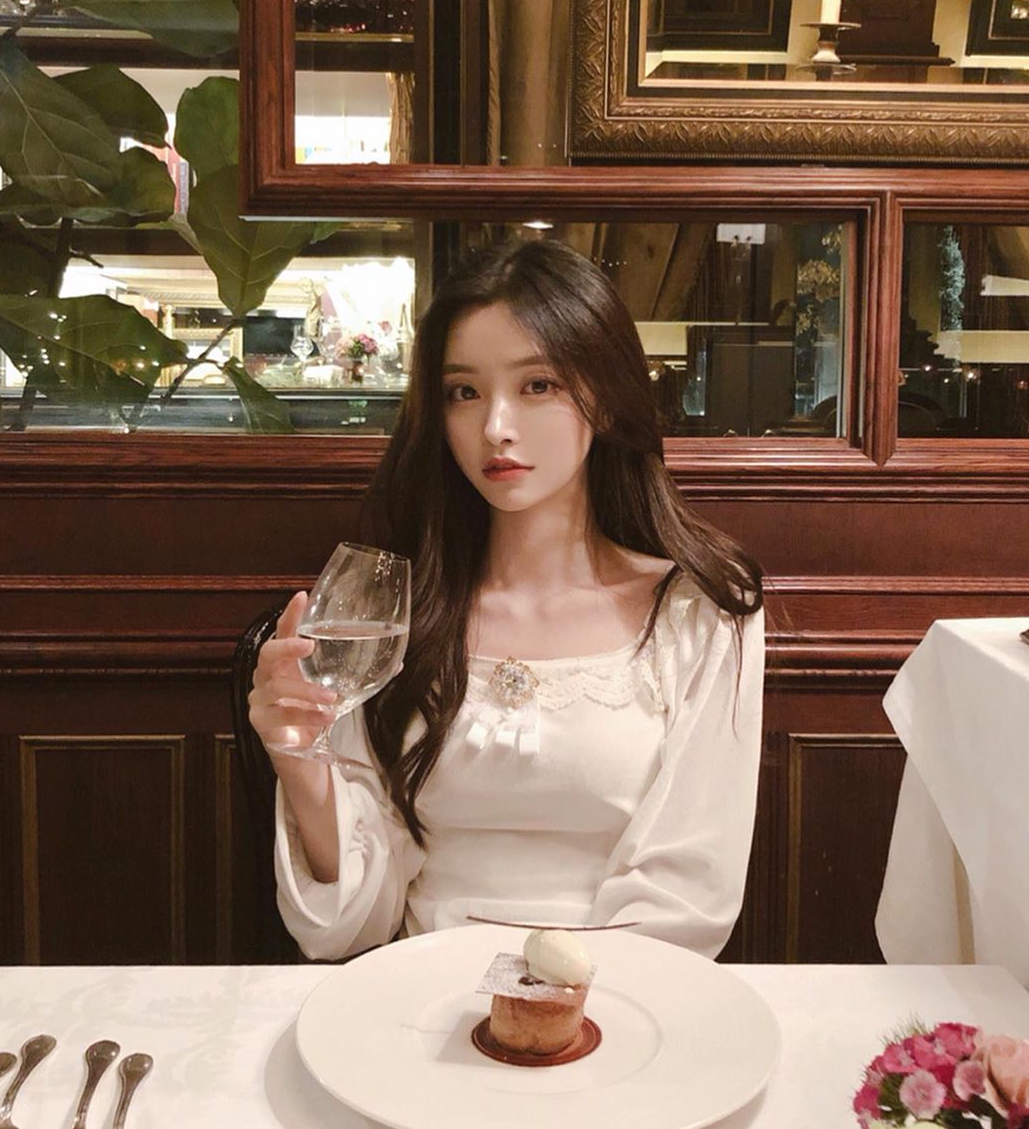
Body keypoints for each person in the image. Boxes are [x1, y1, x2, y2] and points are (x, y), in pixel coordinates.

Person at [248, 239, 765, 962]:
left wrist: (543, 1002)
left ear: (605, 396)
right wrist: (301, 761)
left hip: (618, 997)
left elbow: (687, 899)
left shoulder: (699, 613)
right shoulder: (390, 614)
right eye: (464, 392)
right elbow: (350, 926)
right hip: (419, 993)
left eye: (537, 385)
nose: (495, 426)